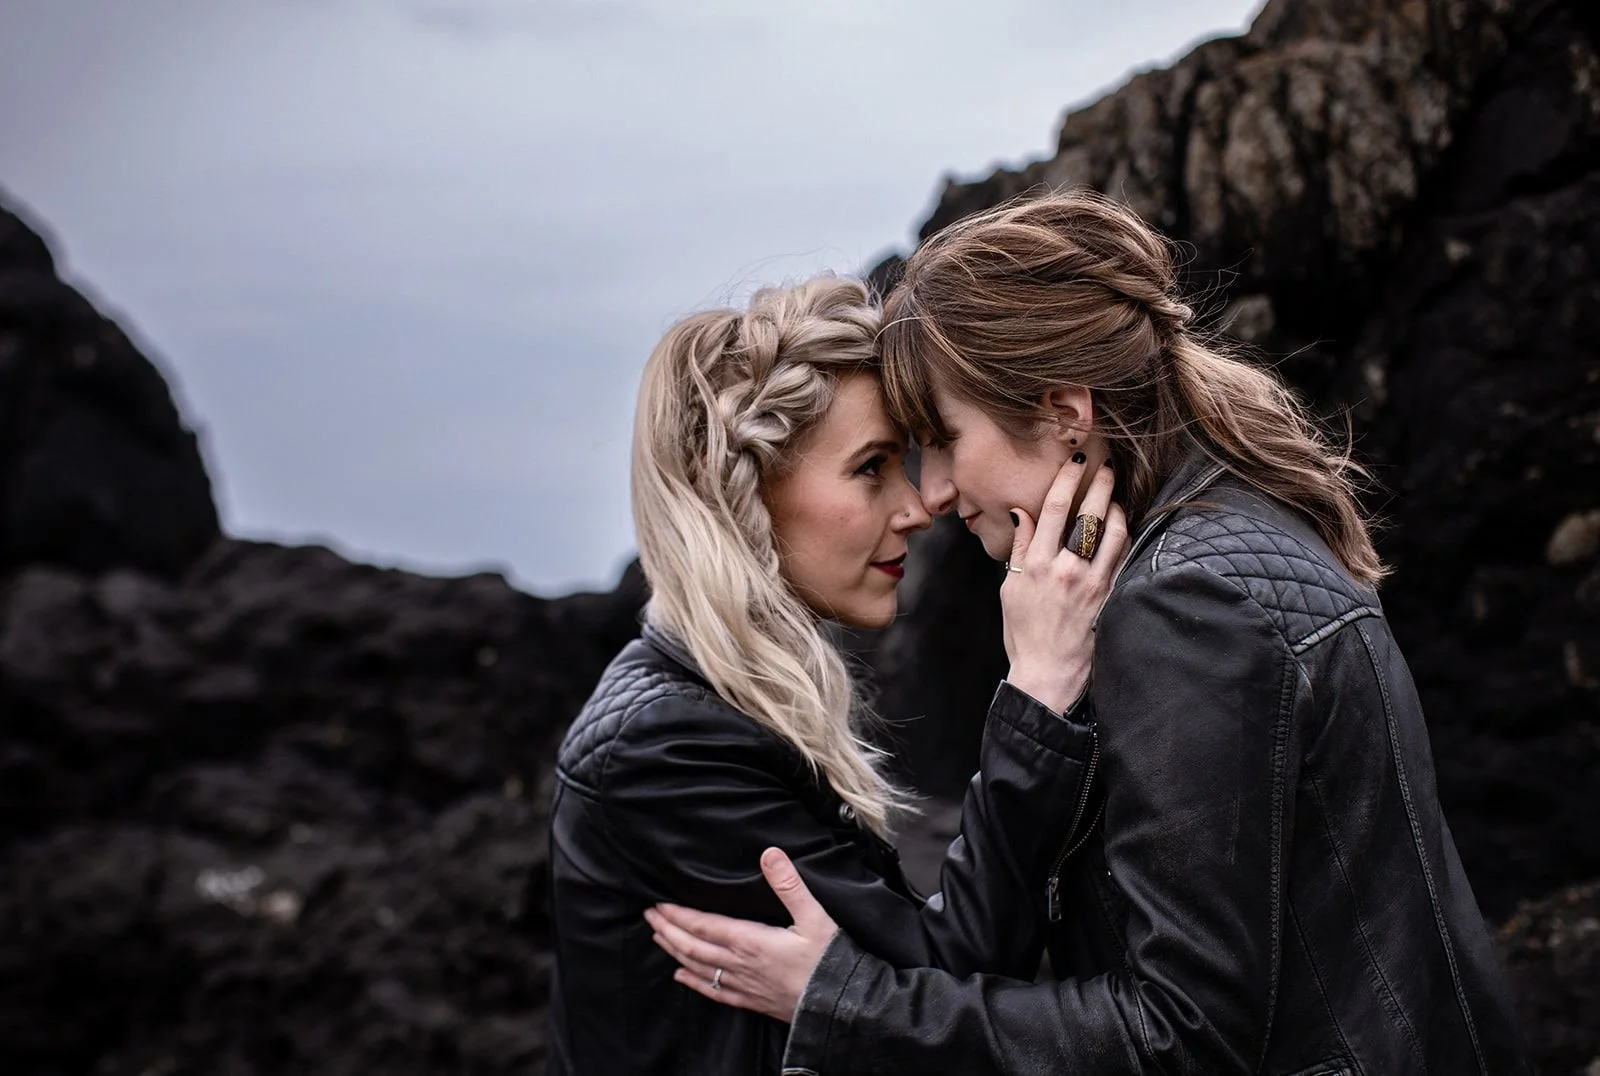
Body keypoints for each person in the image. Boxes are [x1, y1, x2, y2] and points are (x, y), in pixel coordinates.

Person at [646, 192, 1531, 1074]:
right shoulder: (1250, 525)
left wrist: (846, 1003)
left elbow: (1182, 1037)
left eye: (945, 440)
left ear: (1068, 417)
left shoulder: (1183, 605)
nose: (939, 492)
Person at [547, 275, 1129, 1075]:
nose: (919, 507)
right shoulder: (667, 749)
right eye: (871, 468)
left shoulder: (717, 700)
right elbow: (952, 971)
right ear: (744, 492)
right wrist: (1038, 691)